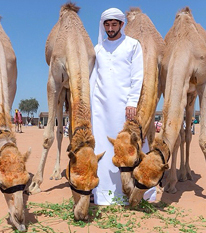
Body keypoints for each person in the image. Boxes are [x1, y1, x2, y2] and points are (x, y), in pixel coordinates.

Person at [90, 8, 156, 205]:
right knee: (102, 147)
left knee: (129, 145)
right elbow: (94, 77)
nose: (110, 29)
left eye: (114, 24)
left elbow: (138, 75)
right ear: (103, 26)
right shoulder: (97, 49)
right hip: (100, 106)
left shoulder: (132, 45)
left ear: (121, 25)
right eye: (107, 25)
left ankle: (139, 192)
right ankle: (102, 194)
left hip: (125, 105)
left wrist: (132, 101)